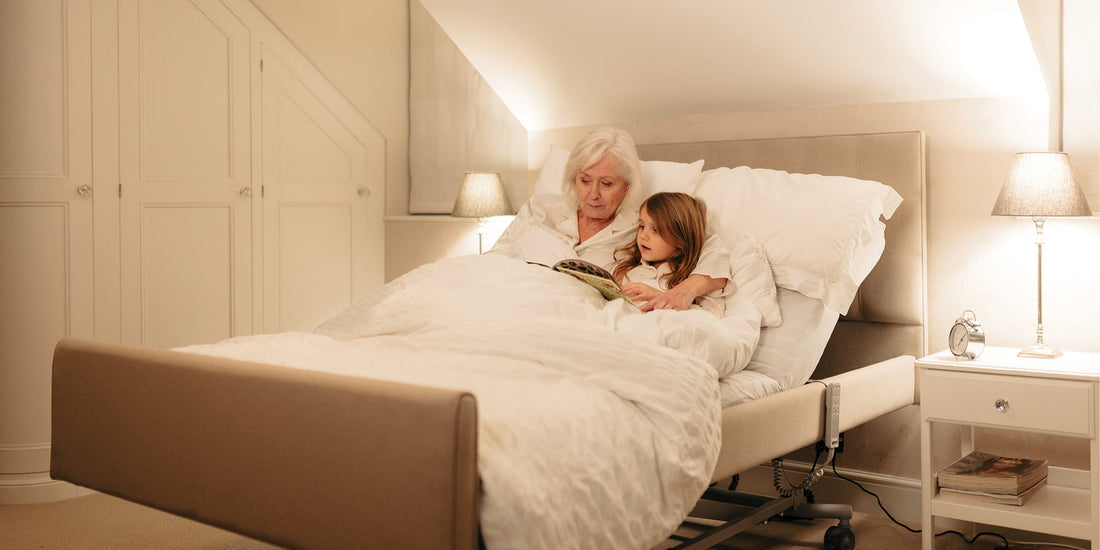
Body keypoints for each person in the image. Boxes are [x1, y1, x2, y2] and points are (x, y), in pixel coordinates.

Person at [491, 127, 728, 311]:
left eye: (606, 184)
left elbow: (712, 249)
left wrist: (684, 291)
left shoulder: (643, 225)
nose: (593, 194)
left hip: (569, 313)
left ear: (626, 186)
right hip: (510, 296)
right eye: (584, 180)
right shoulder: (539, 208)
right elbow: (494, 258)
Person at [612, 192, 728, 317]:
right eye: (642, 226)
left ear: (680, 241)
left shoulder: (687, 278)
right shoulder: (625, 270)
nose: (643, 236)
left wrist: (660, 297)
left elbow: (712, 318)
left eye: (655, 230)